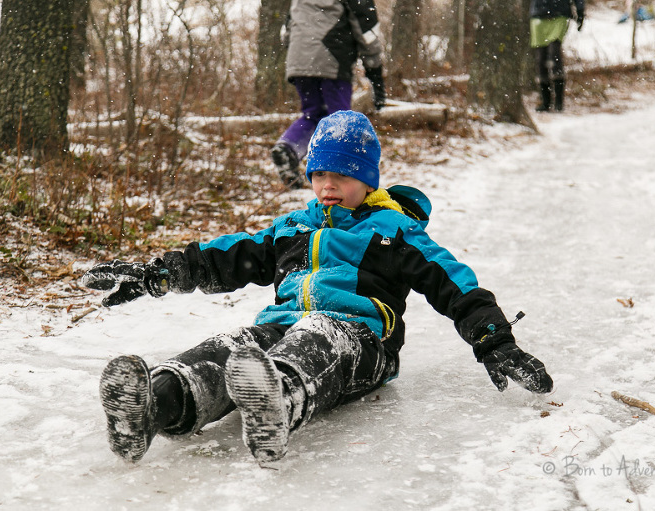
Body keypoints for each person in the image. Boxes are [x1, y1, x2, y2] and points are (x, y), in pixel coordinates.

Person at [83, 110, 553, 465]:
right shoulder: (292, 227)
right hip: (283, 328)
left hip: (361, 342)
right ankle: (156, 404)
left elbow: (453, 283)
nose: (328, 186)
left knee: (319, 338)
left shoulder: (392, 231)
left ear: (366, 180)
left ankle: (278, 404)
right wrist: (157, 274)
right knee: (233, 346)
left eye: (342, 176)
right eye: (320, 175)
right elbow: (226, 256)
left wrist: (494, 340)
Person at [270, 0, 387, 188]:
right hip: (332, 57)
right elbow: (367, 31)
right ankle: (342, 175)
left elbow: (286, 33)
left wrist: (305, 52)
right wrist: (375, 75)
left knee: (313, 113)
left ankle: (288, 149)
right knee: (339, 119)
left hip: (299, 59)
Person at [529, 0, 585, 112]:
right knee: (541, 59)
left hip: (559, 13)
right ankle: (546, 102)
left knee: (554, 54)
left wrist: (580, 11)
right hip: (538, 14)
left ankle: (559, 101)